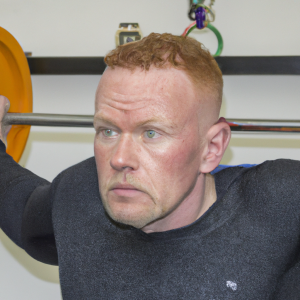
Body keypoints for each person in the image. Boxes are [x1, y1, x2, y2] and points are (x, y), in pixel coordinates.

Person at [0, 33, 299, 300]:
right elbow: (15, 198)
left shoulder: (278, 201)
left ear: (212, 148)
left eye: (151, 133)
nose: (119, 159)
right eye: (108, 130)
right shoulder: (77, 195)